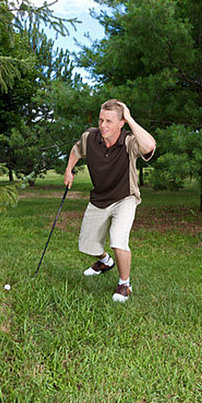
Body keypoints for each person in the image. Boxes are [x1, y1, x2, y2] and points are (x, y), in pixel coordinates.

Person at [64, 99, 156, 302]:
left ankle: (125, 284)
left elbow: (149, 145)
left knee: (118, 239)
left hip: (125, 197)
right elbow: (76, 150)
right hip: (99, 197)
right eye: (101, 120)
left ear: (121, 123)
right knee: (87, 245)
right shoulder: (90, 137)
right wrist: (69, 169)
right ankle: (105, 262)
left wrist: (129, 117)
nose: (103, 125)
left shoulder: (130, 141)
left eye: (109, 121)